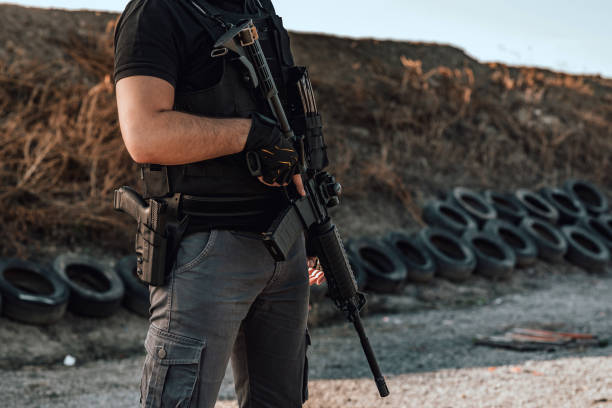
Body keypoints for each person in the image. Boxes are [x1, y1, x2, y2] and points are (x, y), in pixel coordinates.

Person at [114, 0, 325, 406]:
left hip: (285, 241)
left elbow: (289, 123)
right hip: (207, 250)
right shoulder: (156, 12)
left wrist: (314, 221)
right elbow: (144, 134)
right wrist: (250, 137)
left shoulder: (258, 6)